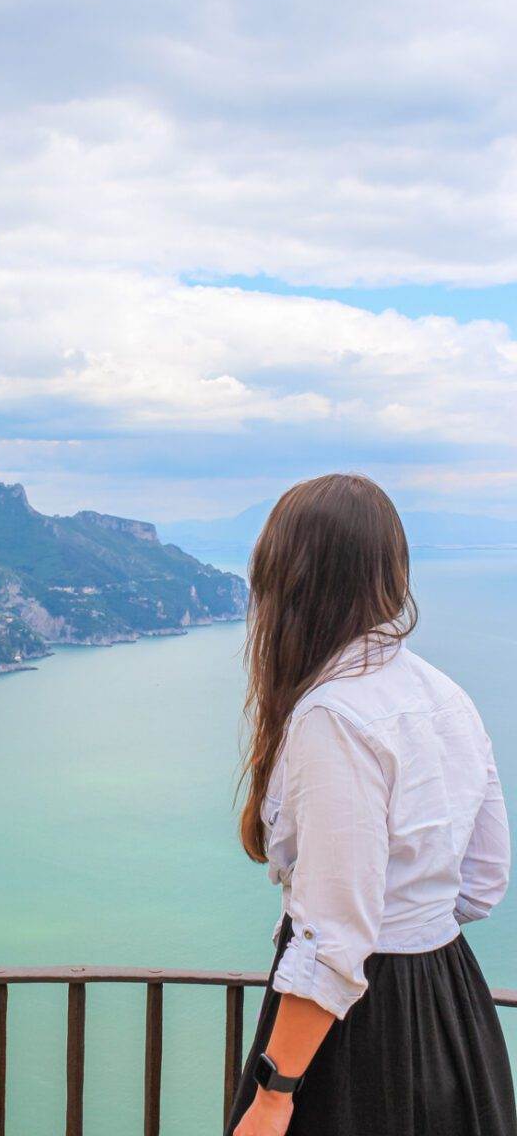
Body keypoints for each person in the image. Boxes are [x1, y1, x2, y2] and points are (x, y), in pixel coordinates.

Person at [226, 474, 516, 1136]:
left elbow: (334, 933)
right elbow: (483, 881)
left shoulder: (334, 714)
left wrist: (275, 1094)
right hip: (453, 1008)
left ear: (289, 581)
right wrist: (416, 926)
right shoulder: (445, 694)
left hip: (356, 1035)